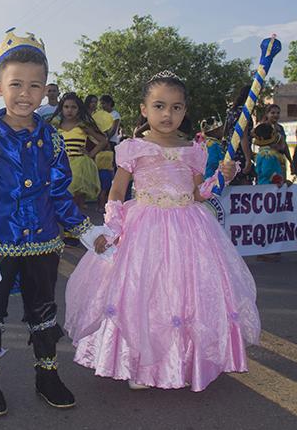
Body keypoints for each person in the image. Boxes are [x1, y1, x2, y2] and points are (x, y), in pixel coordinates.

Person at [65, 71, 257, 391]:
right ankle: (141, 362)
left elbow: (199, 194)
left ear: (185, 109)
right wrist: (112, 225)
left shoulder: (195, 148)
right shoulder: (132, 147)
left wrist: (224, 174)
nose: (168, 114)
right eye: (159, 106)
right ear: (144, 109)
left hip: (190, 227)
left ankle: (182, 361)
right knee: (144, 294)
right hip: (144, 227)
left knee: (186, 295)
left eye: (176, 107)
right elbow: (116, 192)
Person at [0, 30, 109, 416]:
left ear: (46, 90)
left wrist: (85, 229)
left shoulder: (53, 141)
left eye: (35, 85)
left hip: (44, 243)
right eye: (16, 85)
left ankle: (48, 375)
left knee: (43, 311)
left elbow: (60, 193)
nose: (25, 93)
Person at [51, 92, 107, 210]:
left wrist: (91, 154)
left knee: (76, 199)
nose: (69, 110)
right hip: (62, 164)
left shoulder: (82, 125)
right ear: (61, 108)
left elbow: (103, 141)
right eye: (66, 107)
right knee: (63, 198)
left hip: (80, 165)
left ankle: (76, 223)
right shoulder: (56, 126)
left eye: (73, 107)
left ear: (79, 109)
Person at [222, 86, 254, 185]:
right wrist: (248, 159)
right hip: (240, 153)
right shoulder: (243, 113)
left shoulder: (232, 111)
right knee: (243, 184)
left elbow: (225, 131)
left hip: (229, 151)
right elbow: (243, 136)